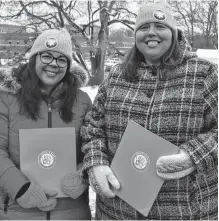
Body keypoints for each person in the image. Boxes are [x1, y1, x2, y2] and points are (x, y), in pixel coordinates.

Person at [81, 1, 218, 220]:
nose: (151, 33)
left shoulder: (204, 74)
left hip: (187, 209)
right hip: (118, 211)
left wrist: (192, 156)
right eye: (144, 28)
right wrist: (96, 162)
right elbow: (93, 127)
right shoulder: (116, 76)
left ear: (174, 33)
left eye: (160, 26)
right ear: (136, 35)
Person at [0, 28, 92, 220]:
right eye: (47, 56)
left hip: (72, 212)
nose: (53, 64)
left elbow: (93, 147)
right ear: (34, 58)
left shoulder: (82, 100)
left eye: (61, 59)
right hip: (19, 211)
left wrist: (83, 174)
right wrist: (20, 188)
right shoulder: (7, 97)